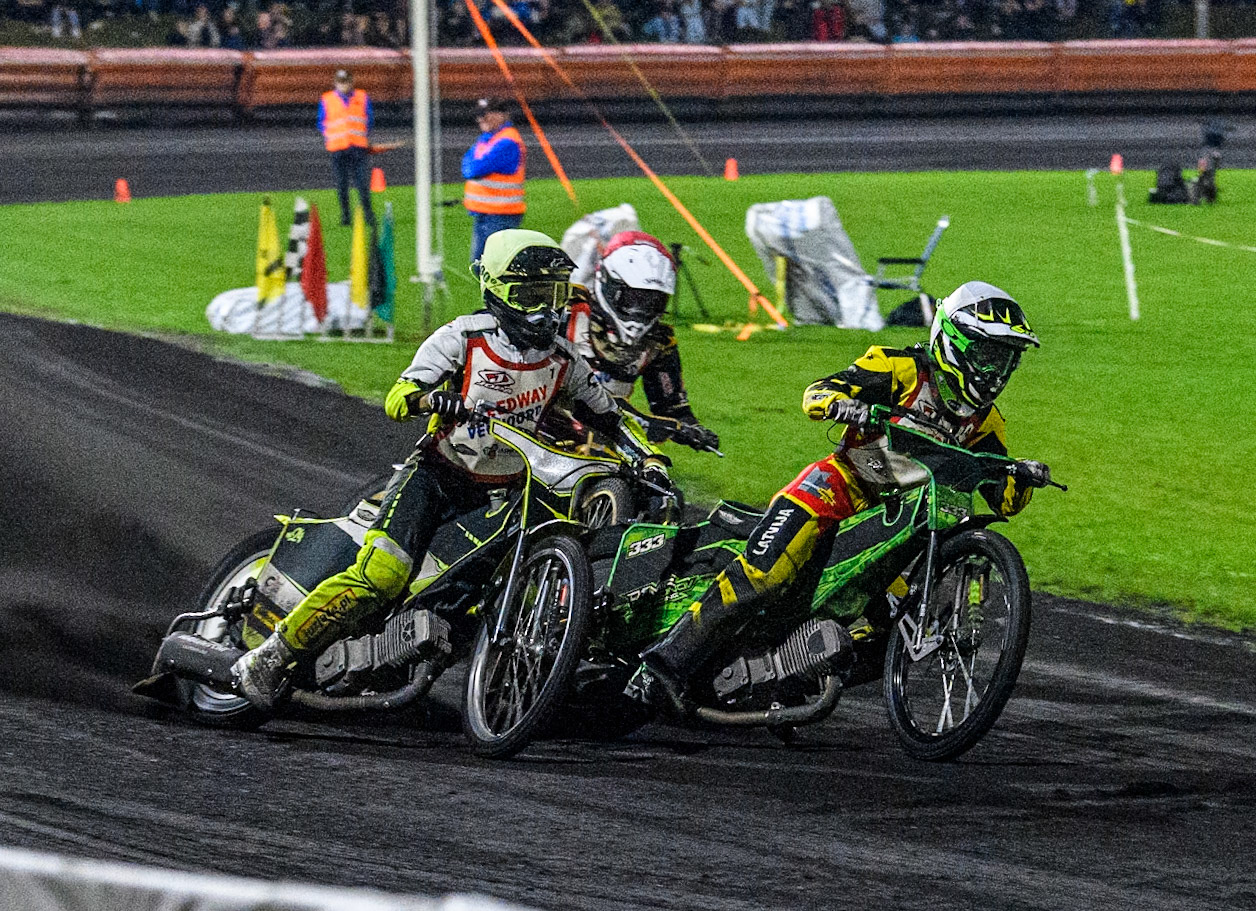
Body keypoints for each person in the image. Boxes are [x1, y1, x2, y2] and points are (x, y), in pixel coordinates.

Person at [232, 230, 672, 711]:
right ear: (499, 292)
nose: (546, 311)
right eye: (531, 296)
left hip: (504, 494)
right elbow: (398, 399)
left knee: (488, 590)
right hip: (436, 478)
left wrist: (647, 458)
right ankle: (269, 658)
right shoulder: (463, 338)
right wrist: (434, 400)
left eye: (555, 296)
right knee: (382, 575)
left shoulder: (564, 361)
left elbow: (610, 417)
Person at [628, 281, 1053, 706]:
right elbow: (816, 393)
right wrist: (840, 403)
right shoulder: (900, 367)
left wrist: (1024, 475)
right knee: (764, 574)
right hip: (837, 489)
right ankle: (663, 664)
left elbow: (1005, 499)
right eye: (988, 355)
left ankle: (789, 682)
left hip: (895, 524)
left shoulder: (987, 422)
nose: (996, 371)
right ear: (955, 341)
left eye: (1006, 360)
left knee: (890, 630)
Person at [563, 231, 720, 452]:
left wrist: (693, 431)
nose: (640, 310)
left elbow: (672, 408)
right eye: (633, 299)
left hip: (601, 444)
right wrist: (667, 427)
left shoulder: (658, 342)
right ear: (609, 285)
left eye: (653, 302)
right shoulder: (566, 312)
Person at [463, 98, 527, 263]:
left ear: (501, 115)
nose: (480, 119)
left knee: (494, 263)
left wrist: (473, 166)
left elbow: (474, 168)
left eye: (485, 114)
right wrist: (473, 166)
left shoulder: (507, 141)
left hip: (501, 214)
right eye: (479, 115)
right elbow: (467, 165)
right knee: (481, 263)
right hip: (486, 212)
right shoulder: (488, 139)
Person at [318, 70, 373, 228]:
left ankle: (368, 215)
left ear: (351, 82)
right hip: (338, 147)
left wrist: (362, 136)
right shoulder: (327, 99)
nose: (344, 86)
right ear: (335, 83)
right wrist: (330, 136)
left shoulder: (362, 97)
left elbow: (369, 119)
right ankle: (346, 216)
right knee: (342, 185)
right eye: (341, 82)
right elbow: (322, 122)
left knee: (362, 184)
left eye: (346, 82)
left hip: (357, 147)